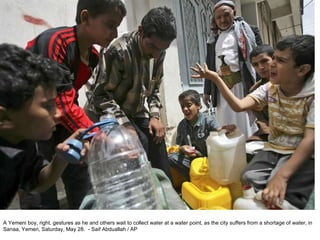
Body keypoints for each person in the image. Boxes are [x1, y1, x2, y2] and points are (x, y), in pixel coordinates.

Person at [191, 34, 314, 209]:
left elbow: (311, 139)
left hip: (301, 150)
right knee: (248, 177)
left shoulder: (312, 95)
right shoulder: (268, 88)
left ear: (302, 70)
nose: (270, 65)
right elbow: (239, 105)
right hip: (275, 146)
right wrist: (216, 79)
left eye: (279, 60)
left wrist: (282, 177)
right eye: (257, 64)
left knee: (276, 181)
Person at [25, 0, 127, 209]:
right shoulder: (55, 42)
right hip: (28, 120)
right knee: (38, 189)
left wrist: (87, 134)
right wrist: (100, 136)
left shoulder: (92, 58)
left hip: (55, 117)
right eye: (110, 25)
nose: (115, 33)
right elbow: (62, 101)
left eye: (117, 26)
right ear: (86, 17)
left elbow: (69, 98)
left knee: (80, 173)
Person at [85, 6, 177, 179]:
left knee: (157, 138)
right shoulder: (118, 51)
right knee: (136, 143)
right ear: (141, 31)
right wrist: (125, 125)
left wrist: (155, 117)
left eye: (161, 50)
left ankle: (165, 192)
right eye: (152, 47)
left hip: (134, 110)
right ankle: (136, 194)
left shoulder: (158, 52)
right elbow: (100, 96)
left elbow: (154, 88)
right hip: (105, 112)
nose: (155, 54)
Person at [0, 43, 89, 209]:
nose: (58, 114)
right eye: (48, 106)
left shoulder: (20, 139)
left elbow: (37, 182)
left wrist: (61, 159)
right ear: (4, 117)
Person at [203, 0, 262, 139]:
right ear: (214, 19)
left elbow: (260, 57)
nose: (222, 20)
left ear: (234, 14)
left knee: (245, 121)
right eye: (218, 17)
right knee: (226, 125)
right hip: (221, 88)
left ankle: (248, 152)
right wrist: (207, 91)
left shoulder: (249, 31)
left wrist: (260, 84)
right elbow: (210, 65)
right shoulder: (213, 38)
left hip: (242, 85)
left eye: (226, 15)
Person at [168, 89, 235, 181]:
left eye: (188, 105)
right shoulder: (181, 125)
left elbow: (219, 131)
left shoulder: (208, 120)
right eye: (182, 106)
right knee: (171, 158)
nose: (185, 109)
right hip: (193, 162)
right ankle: (193, 178)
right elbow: (178, 147)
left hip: (209, 161)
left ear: (198, 105)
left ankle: (205, 177)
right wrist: (182, 149)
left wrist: (224, 130)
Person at [247, 44, 274, 142]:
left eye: (264, 61)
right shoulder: (255, 90)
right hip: (270, 134)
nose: (261, 67)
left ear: (274, 59)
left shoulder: (290, 82)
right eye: (255, 65)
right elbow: (262, 121)